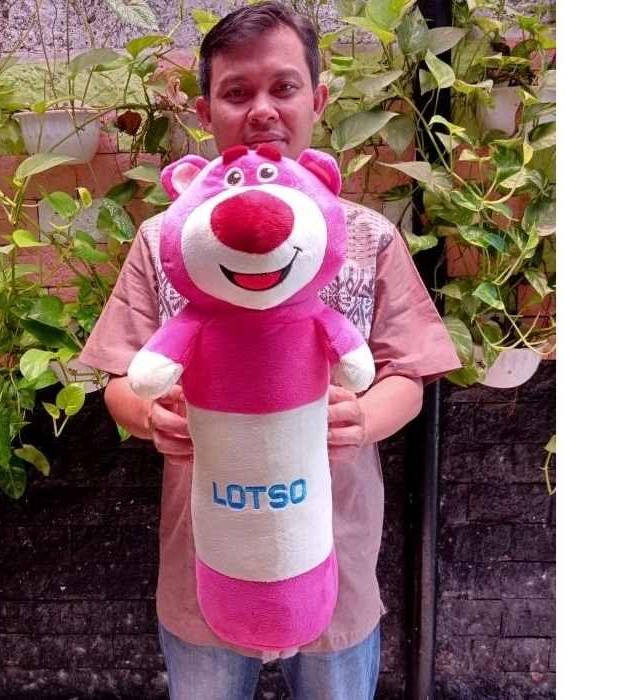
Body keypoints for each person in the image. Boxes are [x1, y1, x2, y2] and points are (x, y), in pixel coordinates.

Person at [79, 2, 461, 698]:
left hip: (336, 556)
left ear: (317, 99)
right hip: (204, 562)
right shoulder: (165, 242)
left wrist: (364, 420)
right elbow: (118, 378)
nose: (261, 110)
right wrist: (150, 414)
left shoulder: (367, 236)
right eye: (237, 91)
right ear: (206, 111)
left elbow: (408, 375)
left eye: (283, 87)